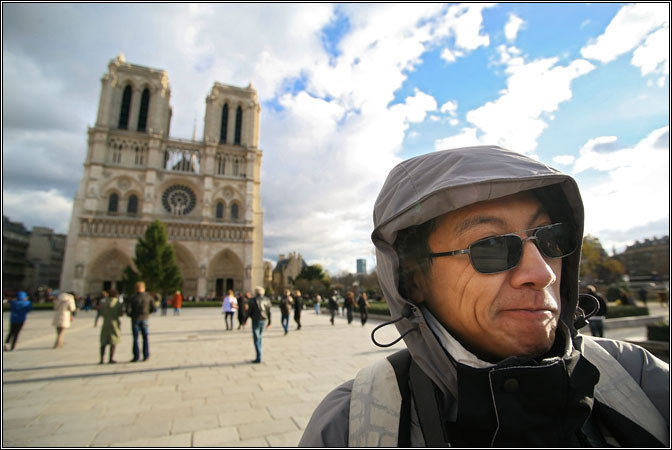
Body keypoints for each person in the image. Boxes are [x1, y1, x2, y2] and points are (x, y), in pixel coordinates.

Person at [299, 146, 669, 447]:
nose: (542, 273)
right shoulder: (351, 425)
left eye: (551, 239)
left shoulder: (635, 375)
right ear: (414, 280)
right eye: (491, 246)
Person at [126, 281, 154, 362]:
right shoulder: (148, 297)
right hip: (145, 318)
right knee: (145, 337)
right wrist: (147, 313)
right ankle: (146, 355)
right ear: (144, 288)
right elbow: (153, 308)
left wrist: (131, 315)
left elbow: (128, 310)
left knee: (135, 338)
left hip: (135, 319)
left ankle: (136, 356)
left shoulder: (132, 298)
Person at [98, 288, 124, 364]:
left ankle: (102, 359)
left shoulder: (103, 302)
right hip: (114, 322)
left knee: (103, 341)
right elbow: (120, 313)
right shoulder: (118, 303)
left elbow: (101, 313)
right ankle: (111, 358)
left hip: (105, 322)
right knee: (113, 340)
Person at [248, 286, 271, 363]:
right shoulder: (267, 299)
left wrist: (244, 320)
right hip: (263, 320)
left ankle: (258, 356)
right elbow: (269, 311)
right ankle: (259, 354)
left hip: (256, 320)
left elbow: (249, 311)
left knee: (256, 338)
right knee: (260, 337)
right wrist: (269, 321)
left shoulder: (252, 300)